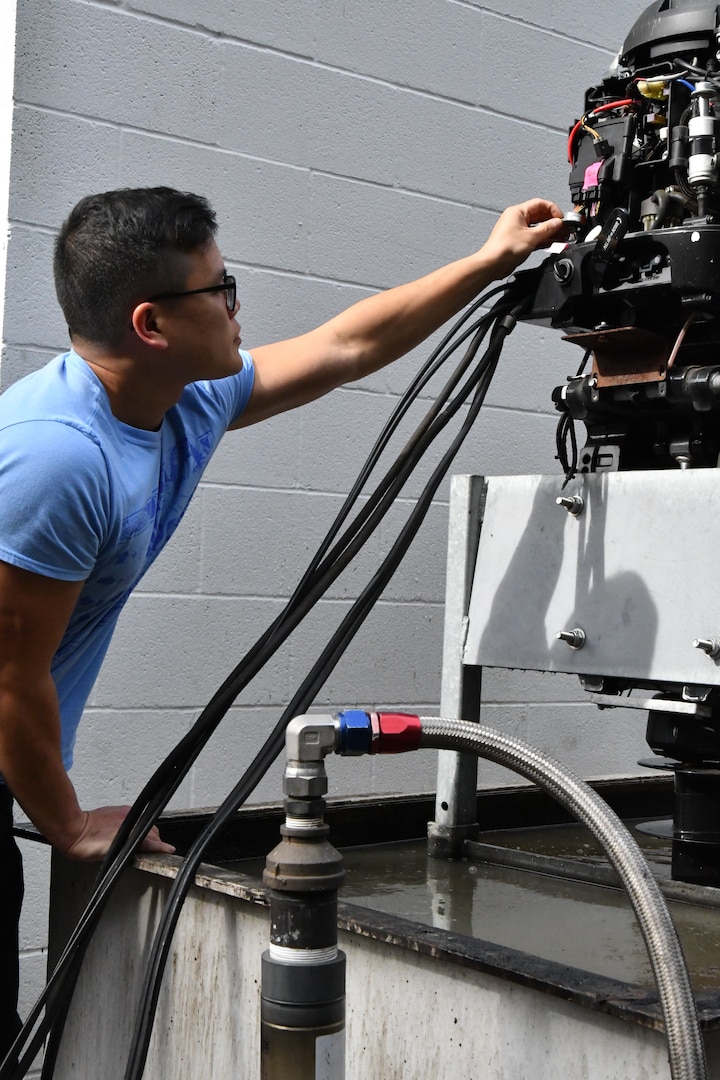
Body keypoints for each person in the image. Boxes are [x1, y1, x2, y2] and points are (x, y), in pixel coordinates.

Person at [0, 187, 565, 1052]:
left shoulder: (181, 400)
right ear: (151, 325)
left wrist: (489, 262)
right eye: (220, 291)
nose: (237, 308)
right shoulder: (58, 457)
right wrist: (69, 822)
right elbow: (8, 679)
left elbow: (347, 344)